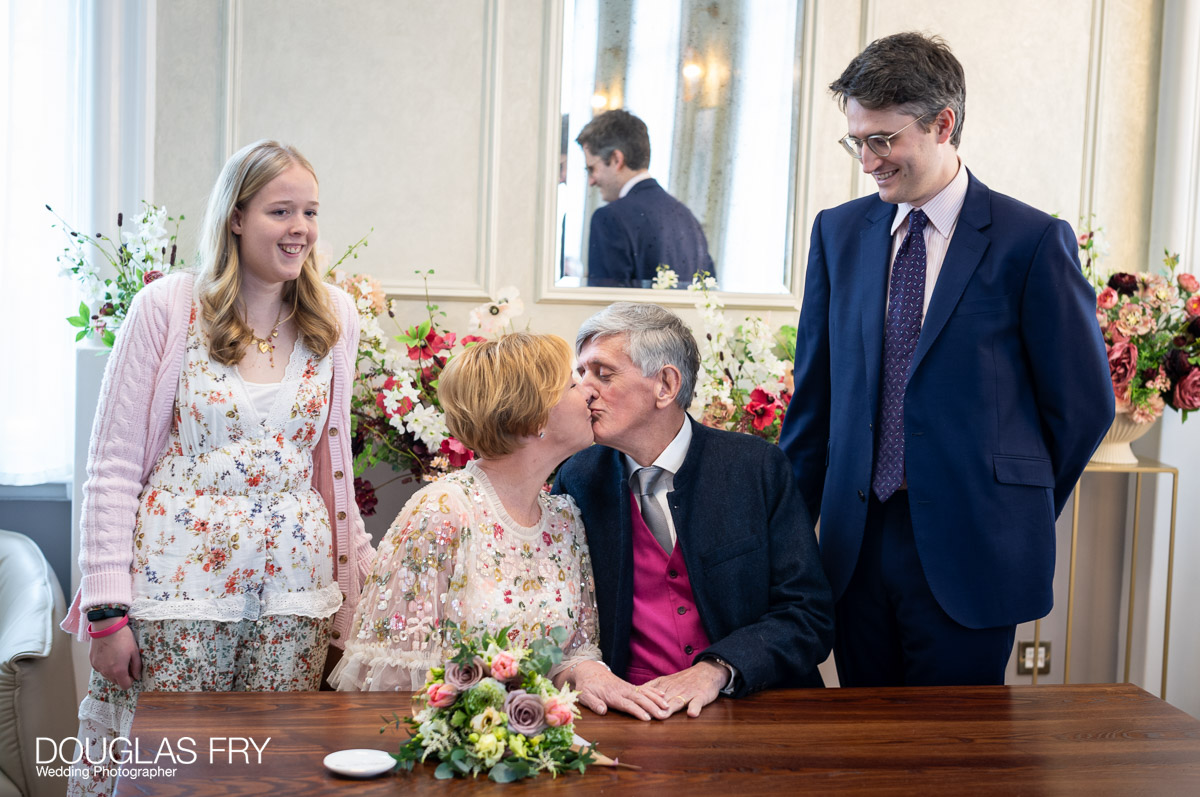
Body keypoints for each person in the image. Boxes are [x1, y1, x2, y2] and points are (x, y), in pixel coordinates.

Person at [778, 32, 1114, 687]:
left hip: (973, 551)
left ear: (943, 124)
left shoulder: (1032, 241)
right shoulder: (837, 234)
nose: (868, 161)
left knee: (960, 761)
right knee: (864, 753)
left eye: (883, 140)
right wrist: (787, 541)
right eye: (857, 140)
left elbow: (1081, 408)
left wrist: (1010, 503)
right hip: (854, 547)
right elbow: (814, 403)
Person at [61, 140, 375, 795]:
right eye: (280, 211)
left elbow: (333, 470)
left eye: (310, 212)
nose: (301, 230)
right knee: (169, 772)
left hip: (295, 591)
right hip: (176, 588)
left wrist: (364, 589)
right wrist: (107, 613)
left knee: (266, 771)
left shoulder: (333, 317)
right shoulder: (170, 308)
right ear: (235, 216)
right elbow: (113, 469)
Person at [330, 333, 670, 721]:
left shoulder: (564, 520)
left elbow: (574, 651)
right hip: (450, 744)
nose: (590, 393)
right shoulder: (443, 513)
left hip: (539, 740)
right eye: (574, 384)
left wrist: (594, 676)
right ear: (535, 417)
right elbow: (395, 678)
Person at [554, 303, 834, 718]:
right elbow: (562, 616)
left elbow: (808, 615)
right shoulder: (576, 476)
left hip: (753, 707)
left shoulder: (757, 468)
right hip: (627, 713)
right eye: (581, 375)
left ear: (665, 385)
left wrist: (718, 669)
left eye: (603, 373)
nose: (585, 390)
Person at [576, 109, 713, 288]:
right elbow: (707, 295)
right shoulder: (687, 217)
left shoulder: (609, 219)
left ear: (616, 159)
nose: (591, 181)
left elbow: (607, 310)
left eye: (591, 168)